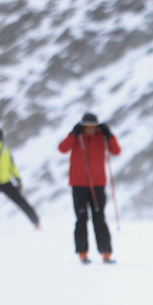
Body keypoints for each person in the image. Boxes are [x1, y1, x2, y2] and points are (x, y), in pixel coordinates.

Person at [58, 113, 121, 264]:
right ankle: (82, 252)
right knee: (81, 219)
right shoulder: (76, 137)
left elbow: (116, 151)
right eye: (87, 127)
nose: (90, 130)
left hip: (98, 185)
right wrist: (73, 134)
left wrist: (110, 135)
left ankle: (106, 253)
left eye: (93, 126)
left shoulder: (102, 137)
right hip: (78, 185)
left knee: (99, 218)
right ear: (82, 126)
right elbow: (62, 148)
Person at [0, 128, 41, 229]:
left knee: (21, 201)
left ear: (1, 137)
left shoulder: (6, 151)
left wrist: (18, 179)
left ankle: (36, 221)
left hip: (6, 182)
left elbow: (12, 167)